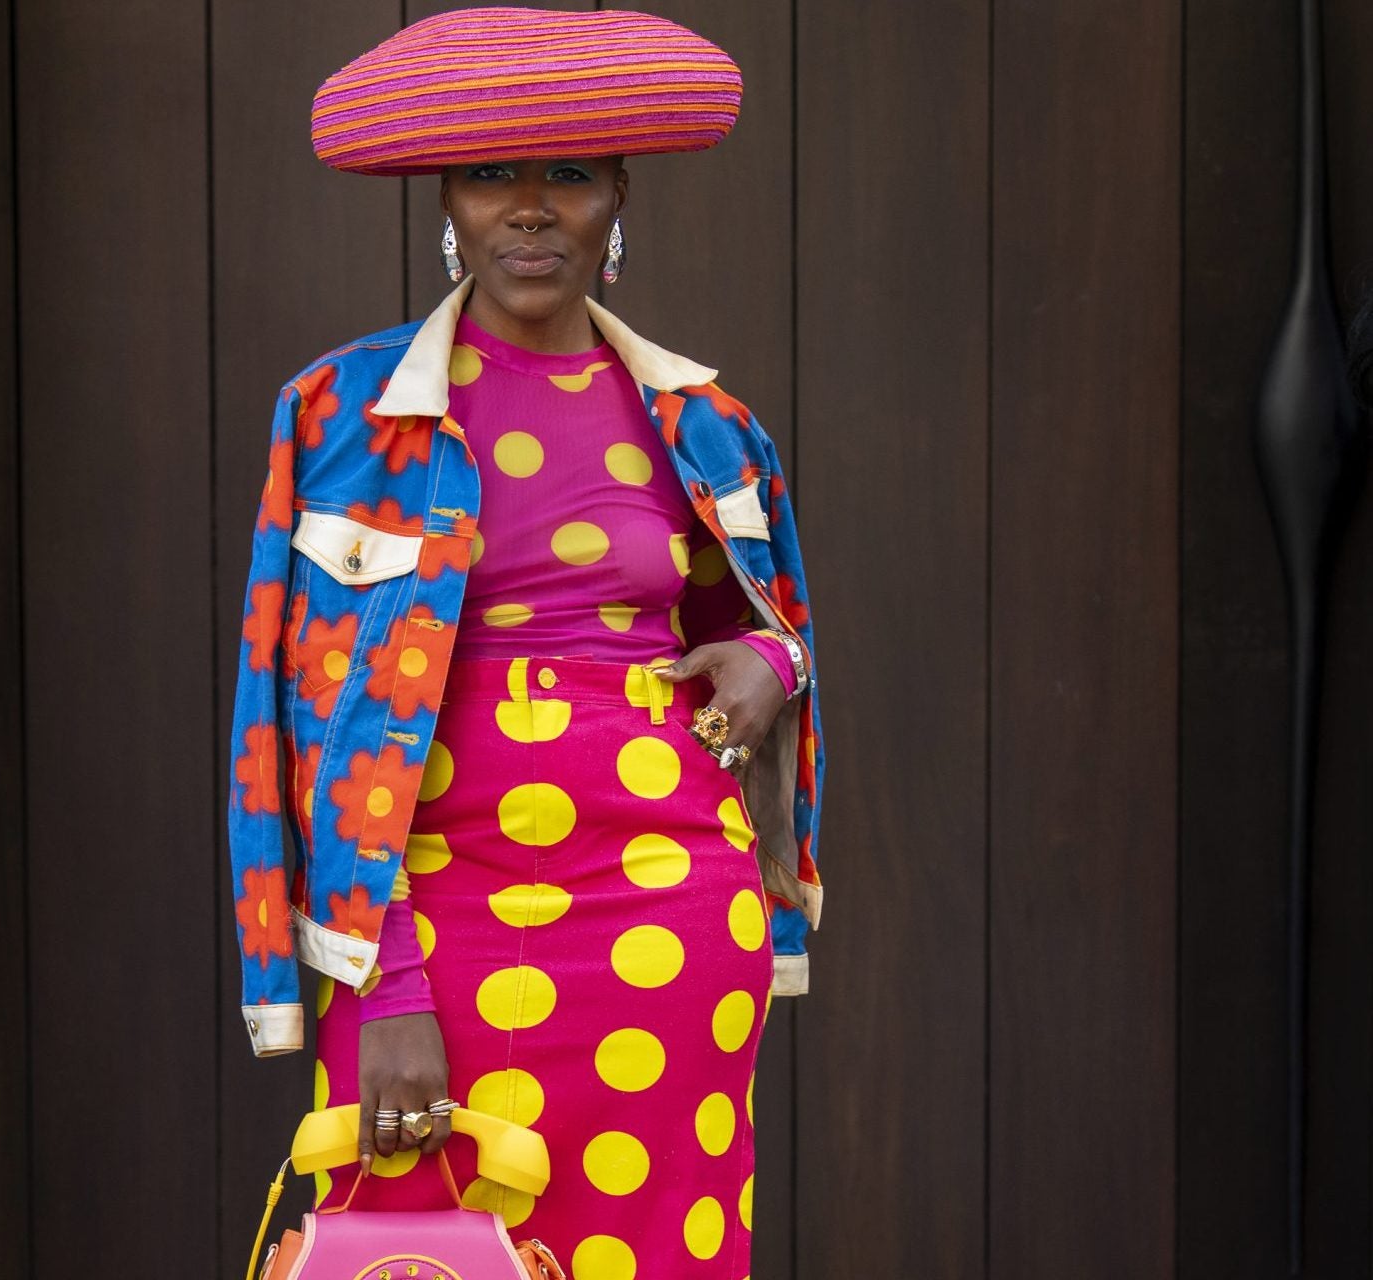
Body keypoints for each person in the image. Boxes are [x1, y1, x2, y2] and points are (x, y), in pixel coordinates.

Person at [227, 9, 825, 1276]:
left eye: (568, 174)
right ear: (449, 199)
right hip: (429, 918)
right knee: (423, 1256)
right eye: (494, 174)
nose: (531, 208)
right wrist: (381, 986)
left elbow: (763, 627)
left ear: (619, 196)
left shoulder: (702, 421)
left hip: (664, 915)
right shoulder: (341, 415)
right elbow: (289, 716)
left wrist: (772, 670)